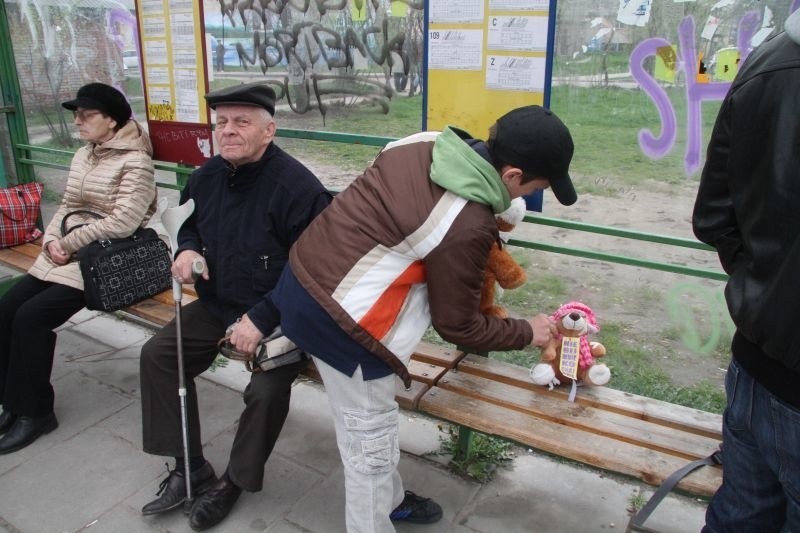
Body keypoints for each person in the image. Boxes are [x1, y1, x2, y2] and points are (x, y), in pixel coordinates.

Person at [271, 105, 575, 531]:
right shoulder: (466, 224)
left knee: (362, 435)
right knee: (369, 454)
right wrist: (528, 331)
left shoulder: (424, 142)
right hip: (347, 329)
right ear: (511, 176)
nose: (523, 199)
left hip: (301, 284)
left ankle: (391, 500)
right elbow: (459, 325)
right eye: (532, 189)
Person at [138, 82, 331, 531]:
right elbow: (186, 223)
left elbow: (316, 271)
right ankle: (189, 465)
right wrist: (186, 249)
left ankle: (234, 482)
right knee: (159, 356)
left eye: (241, 122)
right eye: (221, 122)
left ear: (269, 130)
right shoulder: (207, 175)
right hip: (219, 301)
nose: (228, 131)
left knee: (266, 391)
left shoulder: (297, 188)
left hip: (281, 313)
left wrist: (262, 319)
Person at [0, 82, 156, 454]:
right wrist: (50, 244)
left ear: (113, 120)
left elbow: (122, 223)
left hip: (102, 260)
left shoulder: (136, 161)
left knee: (31, 318)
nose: (78, 123)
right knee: (6, 310)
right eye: (76, 116)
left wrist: (66, 245)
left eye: (87, 116)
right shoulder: (85, 154)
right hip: (65, 253)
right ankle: (14, 401)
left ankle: (37, 413)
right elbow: (68, 203)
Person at [692, 10, 800, 532]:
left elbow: (713, 216)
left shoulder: (766, 62)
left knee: (741, 515)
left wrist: (762, 285)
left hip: (755, 360)